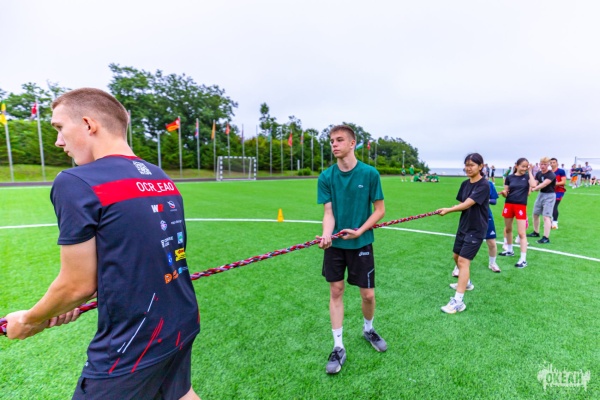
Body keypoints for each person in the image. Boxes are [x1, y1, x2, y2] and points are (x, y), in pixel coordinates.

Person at [5, 88, 201, 400]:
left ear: (88, 124)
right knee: (176, 394)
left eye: (59, 128)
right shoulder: (160, 177)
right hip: (181, 319)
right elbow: (131, 258)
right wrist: (61, 305)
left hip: (134, 340)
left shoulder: (76, 181)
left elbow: (77, 286)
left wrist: (29, 320)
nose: (58, 142)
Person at [317, 124, 386, 375]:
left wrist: (360, 230)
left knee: (367, 295)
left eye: (339, 140)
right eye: (332, 141)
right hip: (335, 246)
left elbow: (379, 210)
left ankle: (368, 329)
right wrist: (327, 234)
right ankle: (338, 346)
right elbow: (328, 213)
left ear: (352, 143)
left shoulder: (370, 174)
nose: (334, 144)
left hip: (361, 242)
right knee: (336, 291)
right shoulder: (326, 177)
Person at [437, 153, 489, 314]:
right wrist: (451, 208)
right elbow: (462, 203)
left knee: (463, 261)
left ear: (481, 166)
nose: (468, 168)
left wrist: (449, 210)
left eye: (472, 165)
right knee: (456, 256)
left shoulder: (484, 185)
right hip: (464, 226)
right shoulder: (465, 184)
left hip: (476, 228)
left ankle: (458, 302)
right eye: (466, 165)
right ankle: (467, 283)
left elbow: (468, 204)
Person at [451, 177, 500, 276]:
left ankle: (492, 263)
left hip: (485, 217)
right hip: (469, 217)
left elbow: (494, 201)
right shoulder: (465, 184)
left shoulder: (487, 184)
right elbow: (462, 203)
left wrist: (481, 198)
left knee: (491, 242)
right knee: (463, 244)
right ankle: (458, 267)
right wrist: (457, 207)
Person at [499, 158, 533, 268]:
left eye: (526, 166)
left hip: (520, 206)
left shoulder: (527, 177)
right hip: (509, 204)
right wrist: (504, 193)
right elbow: (506, 192)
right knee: (508, 229)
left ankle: (523, 259)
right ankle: (509, 250)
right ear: (516, 166)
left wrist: (530, 172)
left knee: (522, 233)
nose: (524, 168)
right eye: (523, 166)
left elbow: (533, 185)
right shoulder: (509, 178)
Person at [527, 157, 556, 244]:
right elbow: (534, 183)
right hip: (541, 195)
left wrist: (535, 188)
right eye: (541, 164)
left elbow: (544, 184)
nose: (543, 166)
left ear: (548, 165)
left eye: (545, 164)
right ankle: (536, 232)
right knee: (535, 214)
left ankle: (546, 237)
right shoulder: (539, 173)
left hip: (549, 196)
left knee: (546, 217)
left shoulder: (551, 174)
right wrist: (530, 172)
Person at [550, 158, 567, 229]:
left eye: (554, 162)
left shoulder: (561, 171)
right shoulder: (549, 172)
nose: (552, 164)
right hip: (550, 191)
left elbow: (563, 182)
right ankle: (549, 221)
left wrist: (553, 183)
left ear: (557, 163)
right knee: (549, 206)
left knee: (554, 205)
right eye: (551, 163)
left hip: (559, 191)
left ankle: (555, 222)